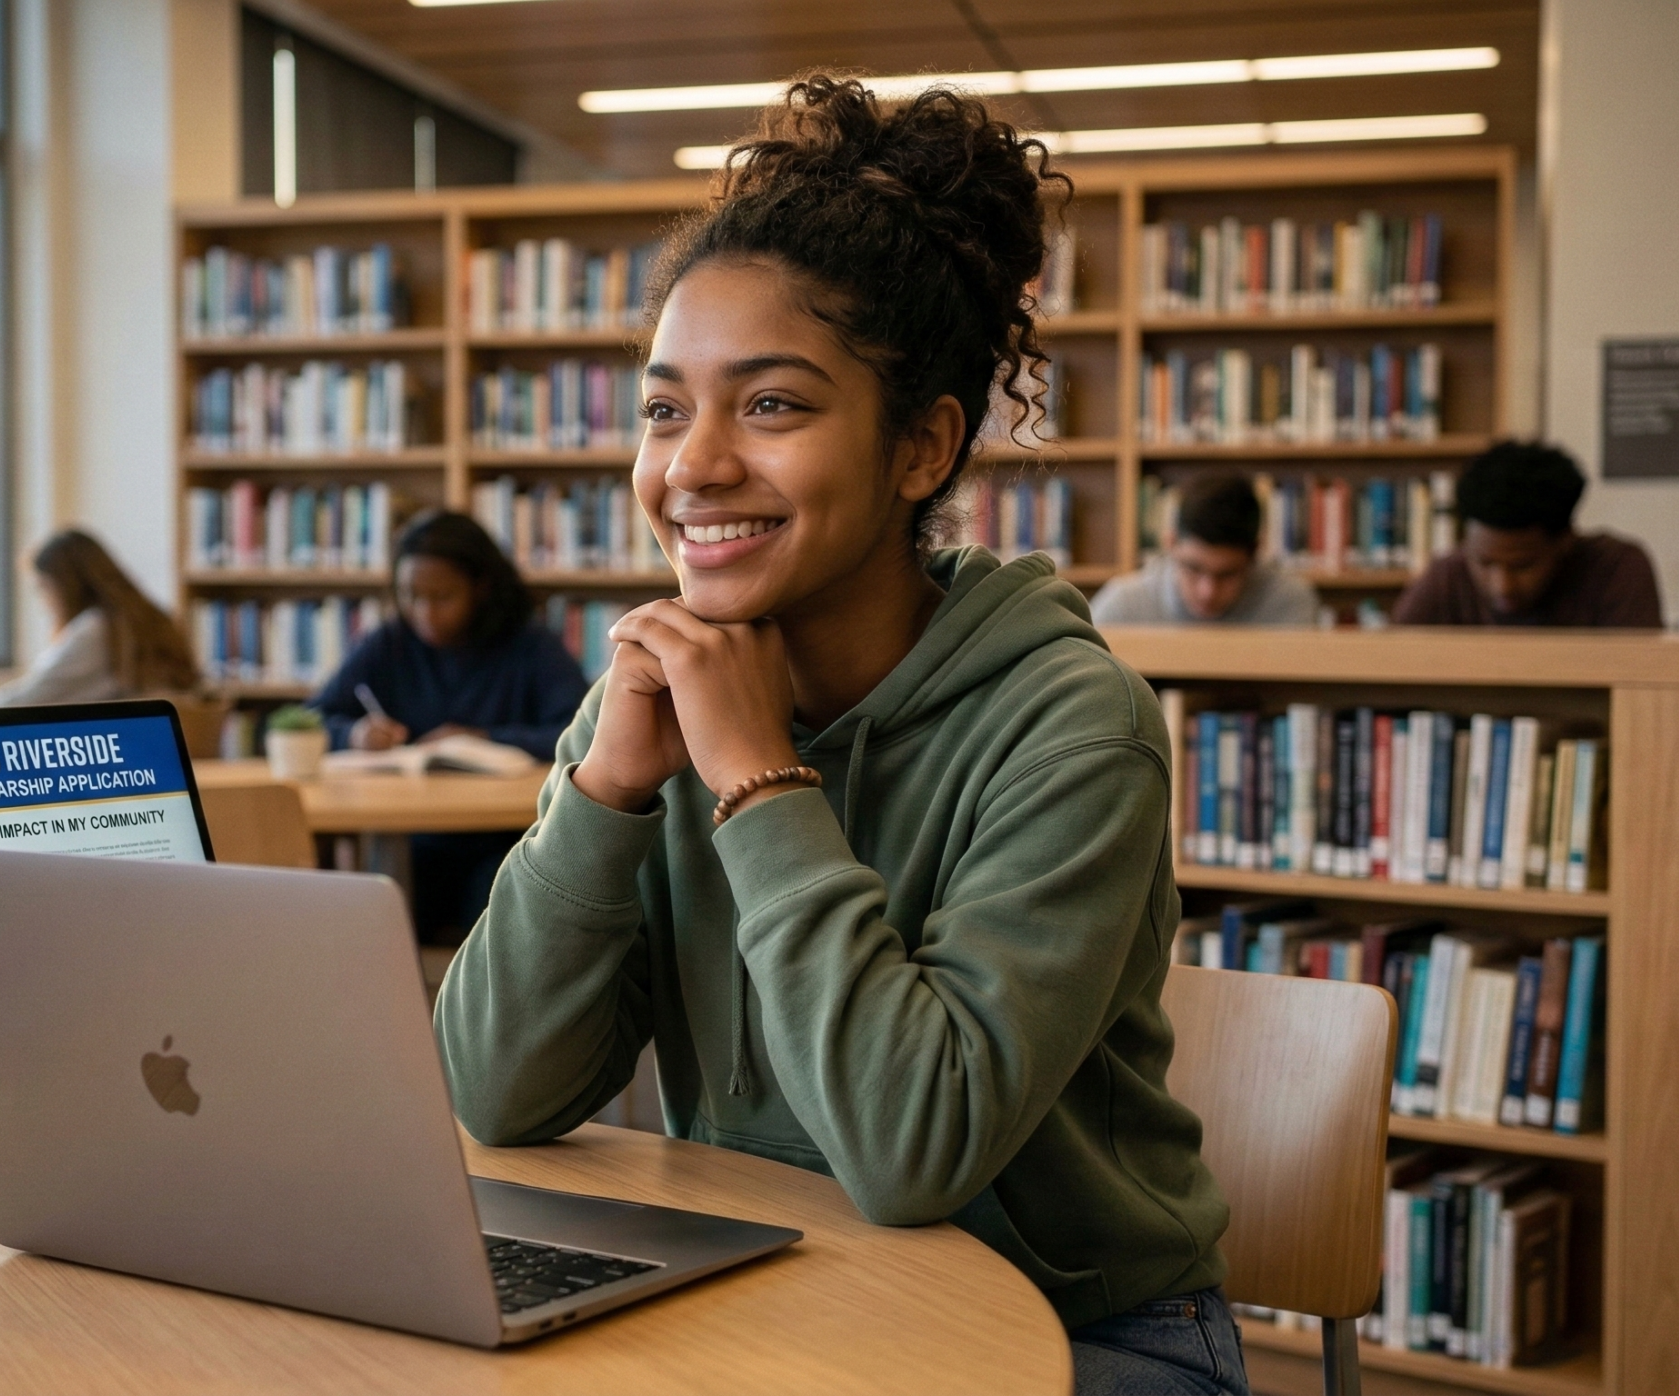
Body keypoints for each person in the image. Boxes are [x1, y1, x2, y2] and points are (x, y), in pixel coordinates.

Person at [433, 78, 1238, 1396]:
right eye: (662, 407)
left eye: (771, 406)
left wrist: (759, 781)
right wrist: (606, 791)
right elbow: (498, 1092)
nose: (690, 467)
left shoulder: (1073, 727)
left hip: (1082, 1333)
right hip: (771, 1300)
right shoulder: (654, 692)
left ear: (922, 447)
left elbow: (913, 1153)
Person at [312, 510, 588, 939]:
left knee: (497, 917)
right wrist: (354, 733)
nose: (424, 612)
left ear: (480, 588)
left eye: (441, 596)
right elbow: (307, 721)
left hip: (507, 839)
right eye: (409, 595)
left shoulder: (529, 645)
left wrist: (486, 738)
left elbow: (581, 733)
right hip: (411, 837)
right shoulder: (390, 641)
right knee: (370, 917)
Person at [1392, 439, 1664, 628]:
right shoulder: (1447, 576)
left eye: (1523, 565)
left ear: (1565, 541)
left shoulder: (1616, 570)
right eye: (1485, 563)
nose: (1503, 586)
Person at [0, 529, 199, 705]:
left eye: (44, 588)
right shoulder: (147, 619)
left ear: (67, 586)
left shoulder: (94, 629)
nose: (43, 602)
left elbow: (28, 701)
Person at [1089, 472, 1321, 626]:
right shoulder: (1122, 607)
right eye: (1193, 568)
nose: (1207, 591)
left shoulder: (1290, 605)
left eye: (1227, 574)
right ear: (1170, 544)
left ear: (1256, 553)